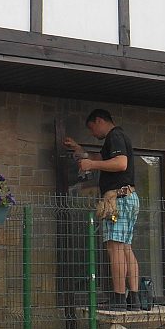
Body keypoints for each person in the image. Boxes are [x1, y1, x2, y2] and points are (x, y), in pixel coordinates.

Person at [64, 109, 142, 311]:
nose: (92, 133)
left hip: (117, 198)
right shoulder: (116, 138)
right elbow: (99, 158)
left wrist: (91, 164)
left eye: (91, 128)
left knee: (115, 247)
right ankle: (134, 298)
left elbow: (120, 163)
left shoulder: (115, 135)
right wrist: (79, 149)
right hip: (128, 197)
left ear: (99, 120)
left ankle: (119, 298)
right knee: (125, 247)